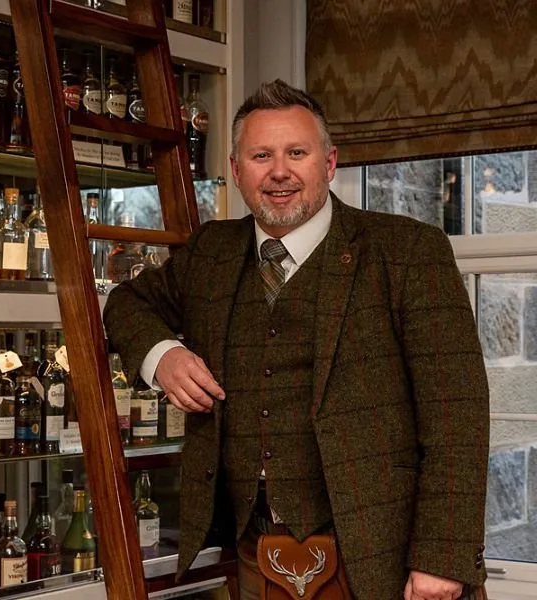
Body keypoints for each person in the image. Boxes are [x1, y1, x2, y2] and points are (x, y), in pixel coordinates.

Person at [103, 79, 489, 600]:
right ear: (237, 170)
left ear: (328, 164)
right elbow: (126, 302)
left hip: (382, 555)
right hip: (252, 550)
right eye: (261, 155)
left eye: (297, 153)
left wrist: (441, 560)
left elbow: (457, 419)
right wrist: (163, 356)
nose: (279, 171)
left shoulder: (407, 252)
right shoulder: (211, 252)